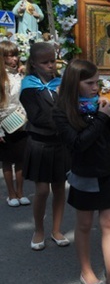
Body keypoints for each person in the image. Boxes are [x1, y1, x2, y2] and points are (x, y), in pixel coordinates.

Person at [52, 59, 110, 284]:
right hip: (85, 174)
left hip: (107, 172)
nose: (96, 87)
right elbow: (78, 144)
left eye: (97, 82)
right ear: (74, 83)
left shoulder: (101, 105)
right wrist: (101, 118)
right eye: (90, 83)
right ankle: (86, 271)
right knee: (85, 225)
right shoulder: (62, 111)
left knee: (109, 225)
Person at [20, 42, 70, 250]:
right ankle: (38, 229)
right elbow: (37, 116)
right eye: (45, 62)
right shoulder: (29, 86)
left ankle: (56, 229)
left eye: (53, 61)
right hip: (40, 143)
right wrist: (62, 114)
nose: (51, 65)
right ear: (33, 63)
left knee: (60, 188)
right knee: (41, 190)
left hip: (59, 143)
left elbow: (72, 107)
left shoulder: (60, 83)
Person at [0, 51, 29, 207]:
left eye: (15, 55)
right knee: (7, 160)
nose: (14, 59)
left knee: (20, 159)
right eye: (9, 56)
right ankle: (11, 194)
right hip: (4, 121)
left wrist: (25, 73)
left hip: (21, 120)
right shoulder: (1, 76)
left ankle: (20, 192)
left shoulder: (20, 74)